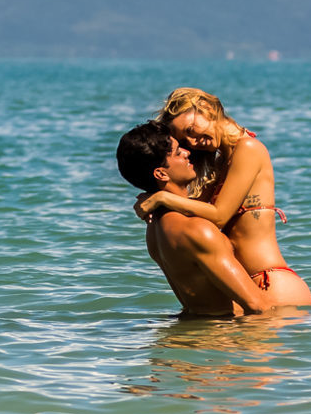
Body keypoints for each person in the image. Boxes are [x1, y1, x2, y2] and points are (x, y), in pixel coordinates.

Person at [132, 87, 311, 306]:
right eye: (185, 140)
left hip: (271, 282)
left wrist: (162, 199)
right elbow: (193, 215)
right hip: (255, 285)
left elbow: (219, 216)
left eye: (191, 129)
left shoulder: (248, 149)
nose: (193, 141)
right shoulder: (223, 161)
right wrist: (151, 197)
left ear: (207, 108)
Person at [115, 122, 278, 318]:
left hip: (200, 329)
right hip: (222, 336)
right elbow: (257, 305)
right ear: (161, 173)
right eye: (177, 153)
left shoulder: (155, 228)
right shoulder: (196, 229)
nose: (186, 152)